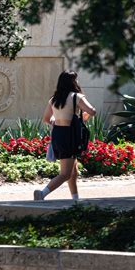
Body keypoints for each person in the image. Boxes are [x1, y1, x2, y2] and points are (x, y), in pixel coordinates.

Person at [34, 70, 96, 201]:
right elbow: (92, 111)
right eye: (76, 80)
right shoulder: (76, 97)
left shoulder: (54, 99)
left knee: (73, 171)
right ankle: (42, 194)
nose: (77, 82)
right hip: (70, 135)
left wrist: (57, 121)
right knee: (65, 174)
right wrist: (83, 118)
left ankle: (75, 199)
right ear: (73, 82)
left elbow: (46, 118)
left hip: (57, 134)